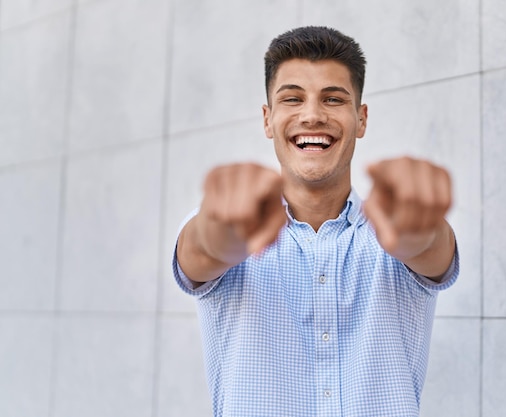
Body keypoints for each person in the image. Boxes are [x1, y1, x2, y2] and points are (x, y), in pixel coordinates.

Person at [173, 26, 459, 417]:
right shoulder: (228, 221)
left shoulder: (397, 222)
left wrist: (419, 228)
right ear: (268, 119)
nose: (312, 115)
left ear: (361, 119)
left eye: (333, 99)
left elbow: (428, 245)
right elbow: (205, 246)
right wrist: (223, 230)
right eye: (292, 99)